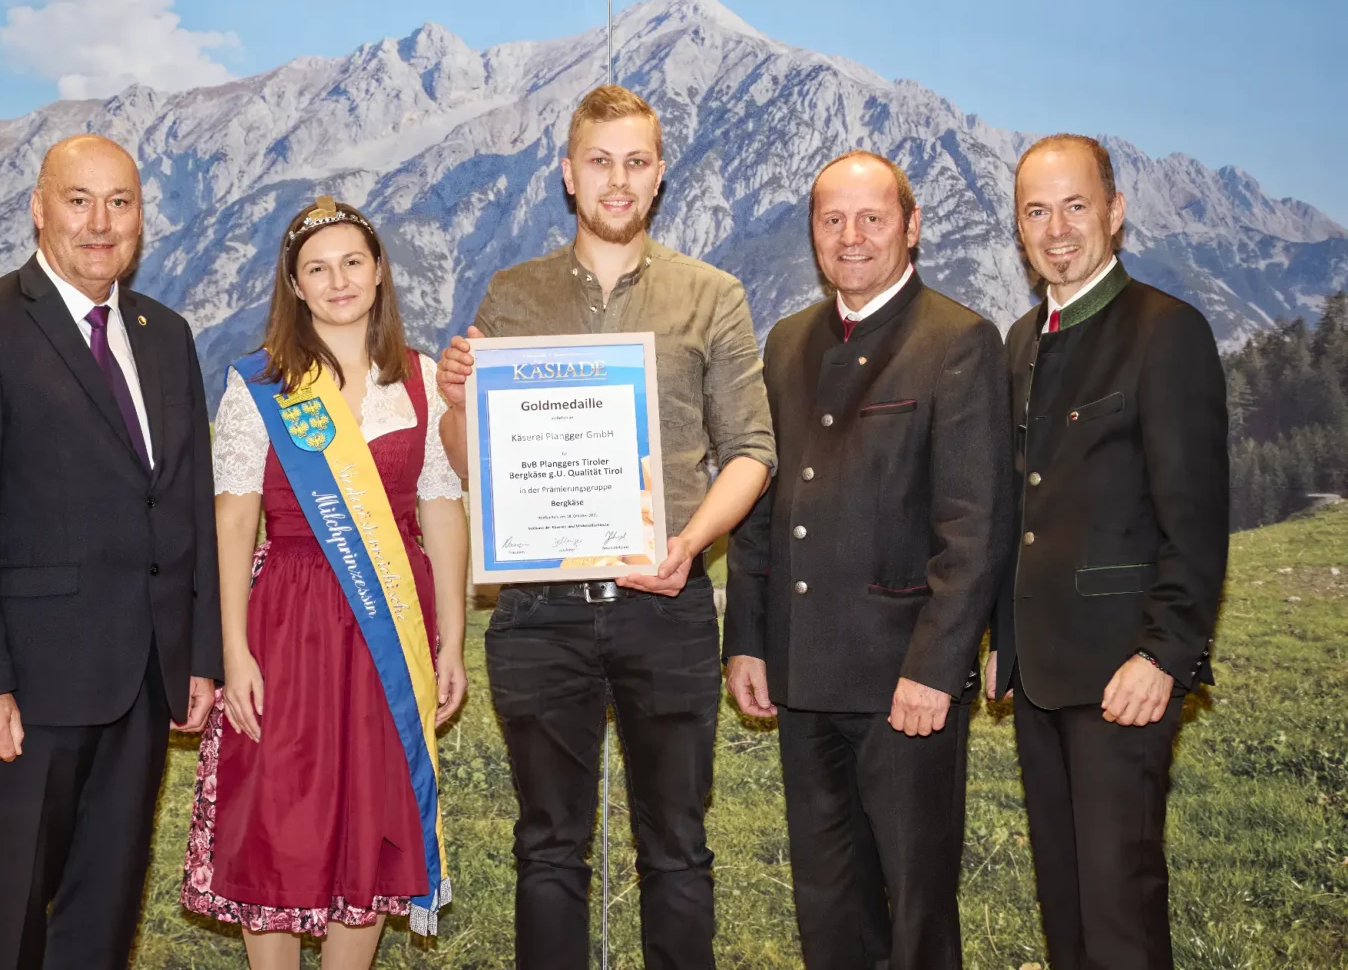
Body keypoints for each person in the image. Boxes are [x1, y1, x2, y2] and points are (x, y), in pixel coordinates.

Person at [436, 85, 775, 970]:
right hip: (538, 616)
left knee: (678, 849)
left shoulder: (713, 296)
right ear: (568, 174)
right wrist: (457, 401)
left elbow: (752, 451)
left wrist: (689, 544)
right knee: (548, 850)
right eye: (599, 162)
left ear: (659, 175)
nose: (617, 181)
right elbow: (477, 469)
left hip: (666, 605)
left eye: (635, 162)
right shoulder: (513, 295)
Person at [0, 134, 222, 968]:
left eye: (120, 202)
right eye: (79, 200)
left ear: (142, 217)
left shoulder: (166, 334)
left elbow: (187, 501)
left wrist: (199, 655)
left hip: (144, 684)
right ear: (39, 209)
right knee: (8, 916)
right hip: (27, 690)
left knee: (103, 917)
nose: (100, 223)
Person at [724, 151, 1013, 970]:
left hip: (904, 686)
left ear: (911, 227)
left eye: (872, 218)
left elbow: (975, 528)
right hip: (801, 673)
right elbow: (763, 507)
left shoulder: (958, 340)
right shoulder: (787, 342)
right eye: (832, 220)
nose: (851, 237)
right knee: (827, 905)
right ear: (813, 233)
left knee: (915, 909)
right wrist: (747, 640)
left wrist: (936, 669)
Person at [179, 196, 468, 970]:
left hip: (390, 625)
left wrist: (451, 643)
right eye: (317, 269)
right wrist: (231, 651)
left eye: (351, 263)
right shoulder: (260, 384)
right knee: (277, 814)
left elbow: (441, 511)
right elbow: (233, 521)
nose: (338, 281)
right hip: (287, 621)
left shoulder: (421, 379)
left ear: (379, 272)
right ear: (295, 286)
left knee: (370, 816)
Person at [986, 134, 1229, 969]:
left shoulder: (1168, 331)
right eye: (1036, 212)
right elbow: (1019, 505)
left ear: (1115, 213)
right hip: (1038, 674)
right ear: (1019, 228)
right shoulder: (1021, 341)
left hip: (1125, 675)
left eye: (1075, 206)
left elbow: (1195, 520)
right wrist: (1003, 638)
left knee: (1119, 908)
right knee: (1064, 905)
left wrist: (1164, 654)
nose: (1056, 230)